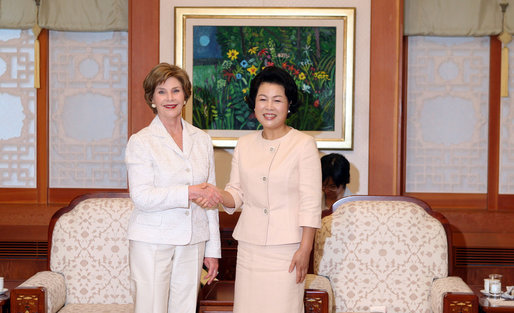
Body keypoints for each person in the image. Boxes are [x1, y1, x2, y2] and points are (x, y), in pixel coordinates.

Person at [213, 66, 322, 313]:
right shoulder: (244, 145)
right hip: (250, 249)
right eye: (262, 99)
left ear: (289, 104)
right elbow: (236, 194)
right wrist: (218, 194)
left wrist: (305, 249)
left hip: (288, 250)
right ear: (254, 104)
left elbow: (310, 201)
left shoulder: (303, 144)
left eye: (277, 100)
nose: (269, 107)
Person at [124, 63, 222, 313]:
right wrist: (189, 192)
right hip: (152, 241)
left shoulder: (201, 139)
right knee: (151, 308)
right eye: (161, 91)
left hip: (193, 240)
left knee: (185, 308)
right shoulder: (141, 141)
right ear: (152, 99)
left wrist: (212, 251)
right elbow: (142, 196)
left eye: (176, 91)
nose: (170, 98)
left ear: (185, 96)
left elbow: (210, 198)